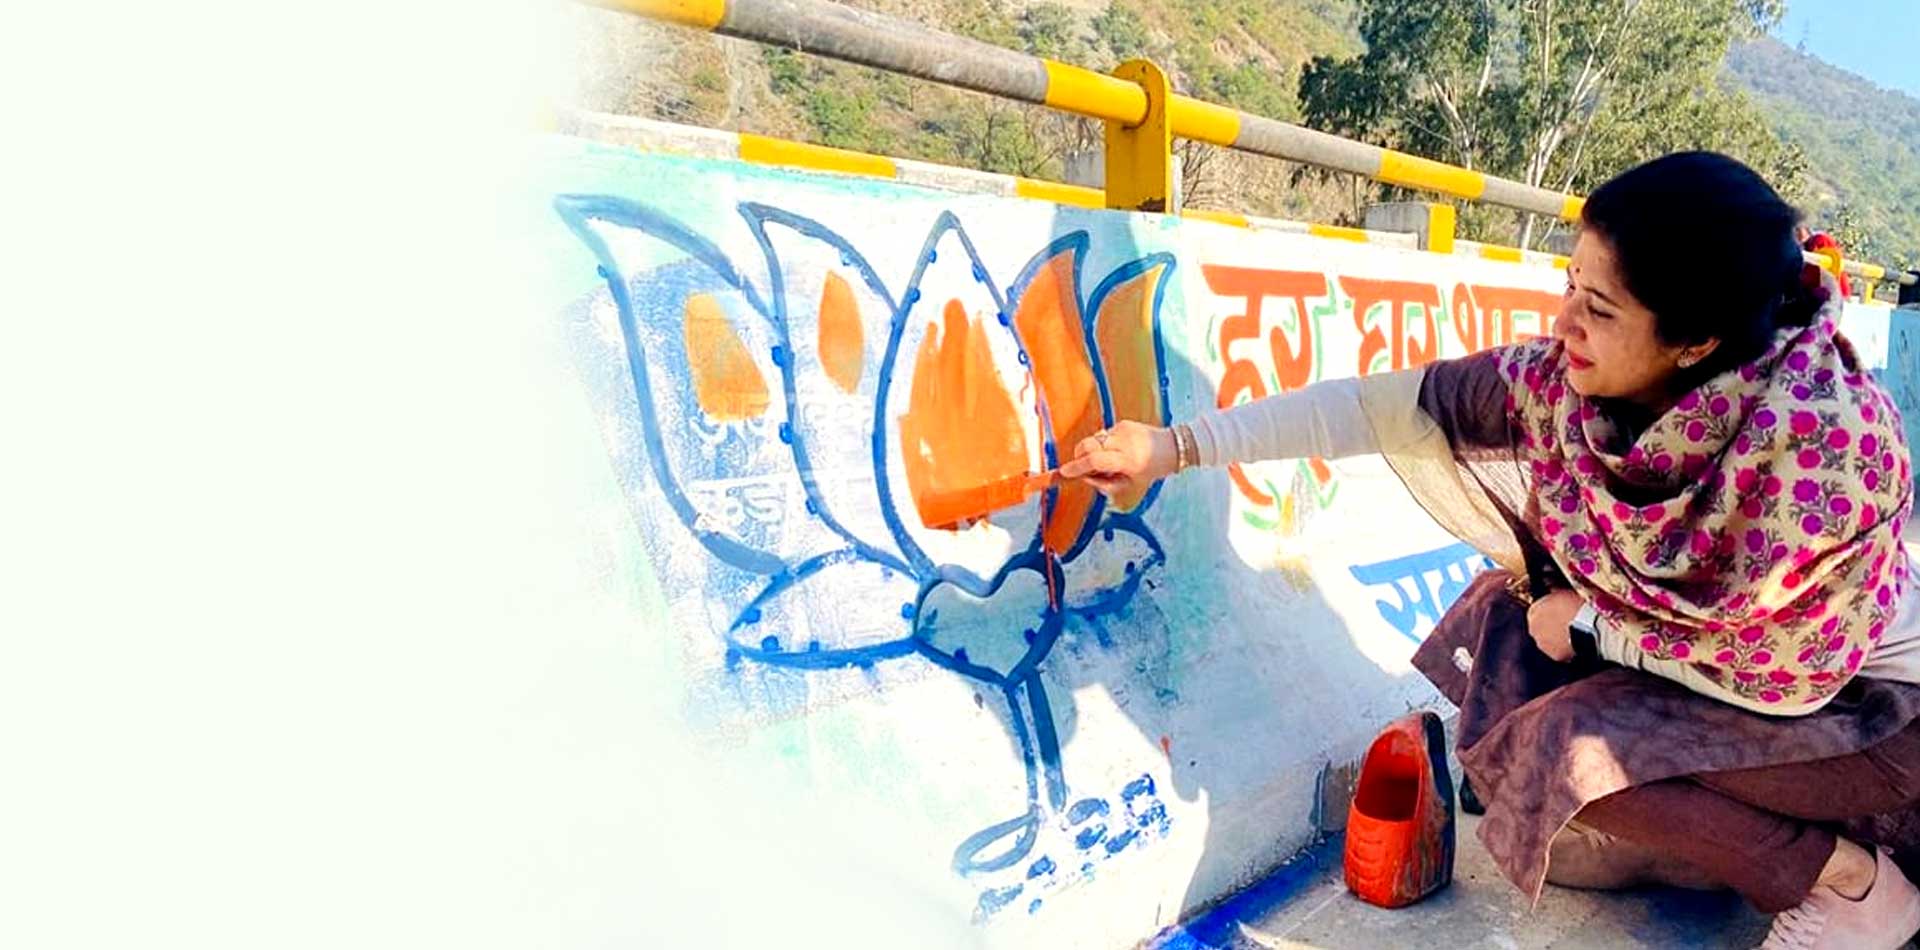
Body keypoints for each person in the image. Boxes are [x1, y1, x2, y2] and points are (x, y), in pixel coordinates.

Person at [1062, 152, 1920, 949]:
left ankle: (1853, 886)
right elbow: (1378, 407)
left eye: (1600, 310)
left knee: (1568, 750)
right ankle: (1686, 849)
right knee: (1503, 624)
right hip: (1726, 681)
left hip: (1866, 719)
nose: (1564, 322)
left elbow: (1785, 679)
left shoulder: (1823, 450)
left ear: (1695, 342)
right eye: (1572, 285)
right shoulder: (1559, 389)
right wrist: (1173, 447)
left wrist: (1591, 627)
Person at [1798, 223, 1854, 300]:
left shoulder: (1820, 240)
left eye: (1798, 229)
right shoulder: (1805, 246)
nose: (1796, 233)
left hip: (1833, 294)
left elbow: (1813, 271)